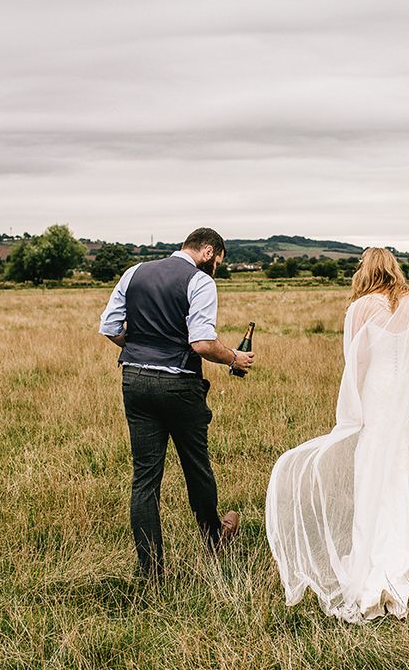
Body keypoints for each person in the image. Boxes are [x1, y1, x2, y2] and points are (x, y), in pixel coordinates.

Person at [265, 247, 409, 623]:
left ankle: (380, 546)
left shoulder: (359, 309)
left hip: (378, 393)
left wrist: (352, 413)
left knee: (375, 464)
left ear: (365, 272)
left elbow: (355, 363)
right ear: (395, 270)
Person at [99, 227, 254, 578]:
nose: (215, 268)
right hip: (179, 384)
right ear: (209, 251)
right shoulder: (200, 281)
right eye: (217, 261)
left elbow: (109, 327)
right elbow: (201, 343)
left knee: (144, 478)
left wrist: (141, 347)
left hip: (134, 380)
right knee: (196, 467)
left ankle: (150, 570)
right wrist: (233, 358)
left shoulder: (134, 271)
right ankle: (215, 540)